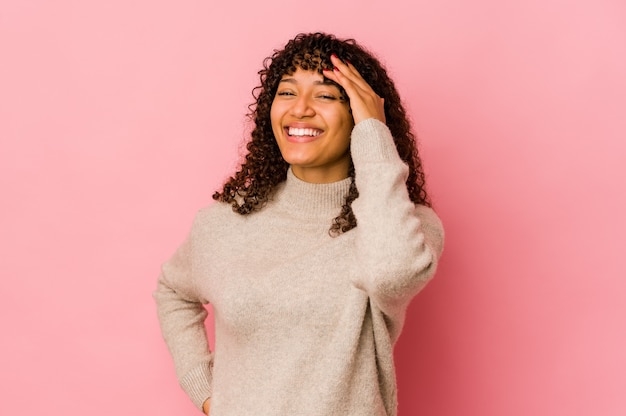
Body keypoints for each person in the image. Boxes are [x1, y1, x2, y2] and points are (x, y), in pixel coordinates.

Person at [154, 32, 444, 416]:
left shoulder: (406, 226)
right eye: (287, 93)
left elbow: (392, 274)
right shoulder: (226, 222)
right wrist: (207, 391)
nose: (300, 109)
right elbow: (173, 290)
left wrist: (374, 133)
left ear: (359, 114)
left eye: (325, 95)